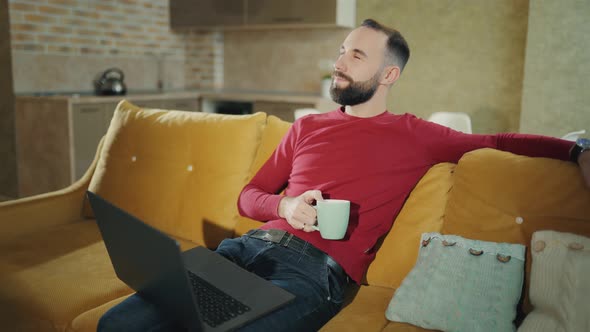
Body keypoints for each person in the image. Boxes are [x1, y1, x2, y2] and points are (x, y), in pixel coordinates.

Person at [98, 18, 590, 331]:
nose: (339, 63)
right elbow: (248, 197)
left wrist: (577, 150)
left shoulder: (416, 134)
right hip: (243, 250)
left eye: (356, 55)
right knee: (118, 324)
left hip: (312, 272)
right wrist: (284, 206)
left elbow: (499, 142)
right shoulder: (307, 126)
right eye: (341, 51)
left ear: (388, 75)